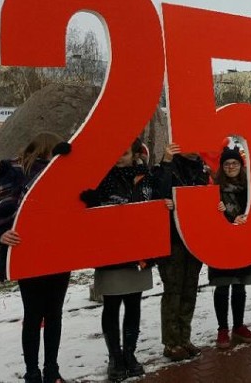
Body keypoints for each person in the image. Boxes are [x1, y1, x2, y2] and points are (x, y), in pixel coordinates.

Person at [0, 132, 70, 383]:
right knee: (41, 315)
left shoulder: (64, 176)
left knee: (47, 315)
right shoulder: (16, 175)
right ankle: (38, 371)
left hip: (55, 254)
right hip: (31, 254)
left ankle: (46, 371)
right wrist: (0, 233)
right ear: (47, 151)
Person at [80, 139, 161, 381]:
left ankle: (130, 354)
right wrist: (91, 201)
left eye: (124, 153)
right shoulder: (100, 176)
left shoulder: (146, 176)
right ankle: (115, 357)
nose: (119, 157)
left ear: (135, 154)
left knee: (134, 305)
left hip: (139, 254)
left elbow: (155, 202)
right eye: (115, 152)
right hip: (112, 254)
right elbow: (90, 207)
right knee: (112, 306)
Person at [153, 143, 210, 361]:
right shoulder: (169, 166)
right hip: (173, 240)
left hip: (193, 239)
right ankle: (171, 342)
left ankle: (184, 338)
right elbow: (158, 192)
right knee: (173, 291)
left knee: (189, 289)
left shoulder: (201, 169)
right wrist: (166, 162)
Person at [209, 147, 251, 349]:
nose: (231, 167)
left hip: (243, 242)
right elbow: (207, 217)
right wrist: (222, 214)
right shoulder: (214, 188)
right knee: (222, 285)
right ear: (222, 167)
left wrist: (246, 218)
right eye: (227, 164)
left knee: (240, 285)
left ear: (241, 165)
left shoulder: (249, 186)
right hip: (222, 243)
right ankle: (223, 329)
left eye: (235, 163)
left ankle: (238, 326)